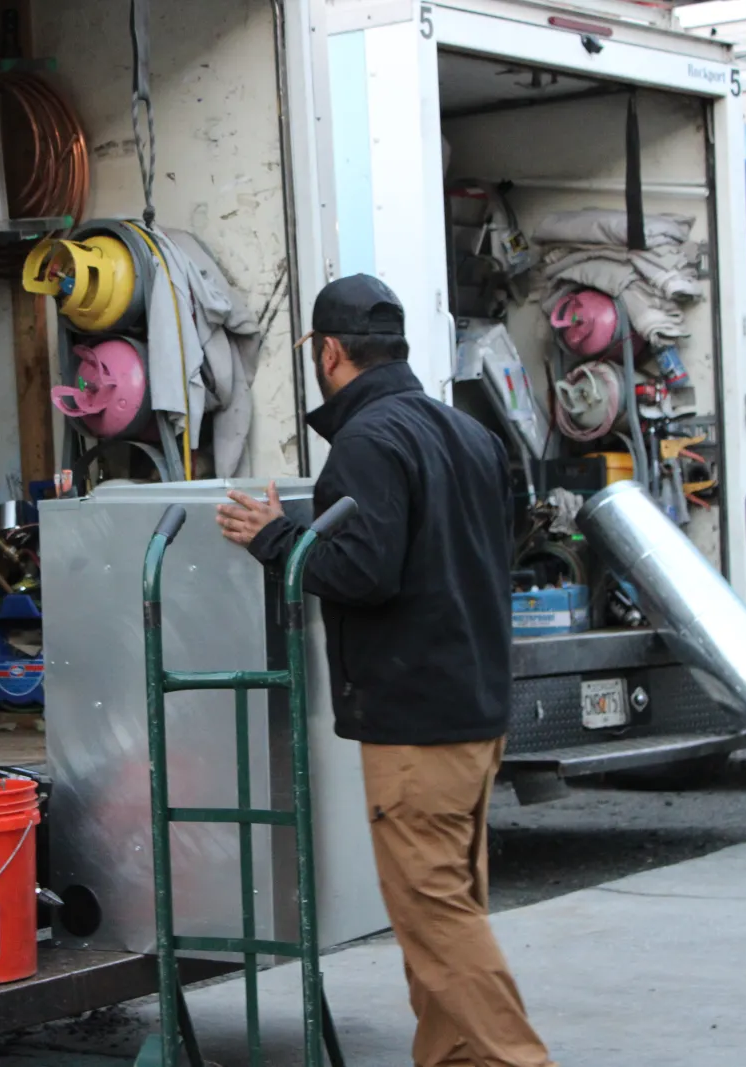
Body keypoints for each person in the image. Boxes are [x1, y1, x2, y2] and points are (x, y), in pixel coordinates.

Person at [216, 274, 556, 1067]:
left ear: (327, 352)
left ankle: (515, 1060)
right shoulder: (464, 433)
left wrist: (273, 540)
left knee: (436, 917)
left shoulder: (368, 441)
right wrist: (304, 527)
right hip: (473, 714)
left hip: (415, 728)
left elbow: (368, 570)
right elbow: (424, 547)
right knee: (438, 912)